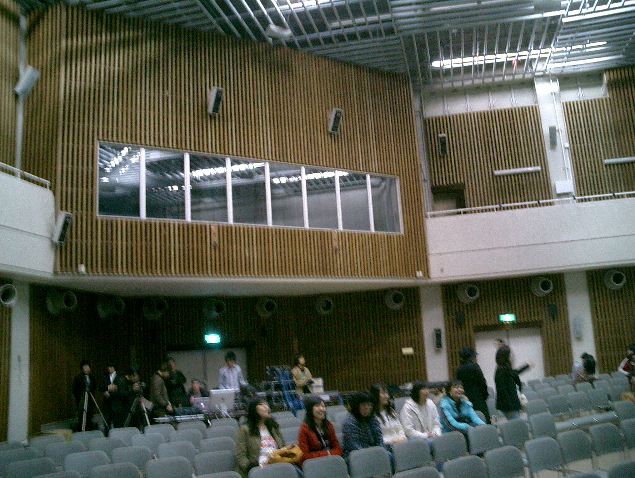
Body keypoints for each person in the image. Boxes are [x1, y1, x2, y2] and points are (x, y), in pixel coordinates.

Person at [235, 398, 285, 477]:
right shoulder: (245, 430)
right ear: (253, 409)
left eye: (267, 404)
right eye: (262, 404)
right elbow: (240, 456)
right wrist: (253, 470)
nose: (266, 407)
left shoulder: (273, 427)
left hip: (277, 466)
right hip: (258, 470)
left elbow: (283, 447)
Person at [298, 395, 342, 464]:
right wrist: (327, 454)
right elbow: (304, 456)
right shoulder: (304, 429)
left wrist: (330, 454)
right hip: (315, 464)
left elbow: (338, 448)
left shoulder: (329, 425)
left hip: (332, 460)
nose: (322, 409)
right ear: (310, 409)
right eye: (317, 406)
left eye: (323, 406)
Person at [342, 391, 385, 458]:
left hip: (374, 452)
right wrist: (373, 454)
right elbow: (354, 446)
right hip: (356, 456)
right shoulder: (349, 422)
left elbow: (379, 437)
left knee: (388, 455)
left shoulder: (372, 418)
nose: (367, 407)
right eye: (364, 405)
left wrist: (379, 451)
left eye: (370, 405)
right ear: (357, 406)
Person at [455, 347, 490, 423]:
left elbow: (458, 385)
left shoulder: (459, 369)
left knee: (471, 423)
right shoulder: (475, 367)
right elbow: (482, 383)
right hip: (478, 398)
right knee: (484, 421)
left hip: (465, 400)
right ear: (470, 357)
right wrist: (485, 396)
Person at [494, 345, 528, 419]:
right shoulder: (502, 370)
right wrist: (514, 406)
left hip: (511, 405)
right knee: (517, 424)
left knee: (517, 423)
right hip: (509, 407)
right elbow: (503, 391)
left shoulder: (505, 368)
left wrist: (526, 366)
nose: (512, 357)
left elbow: (515, 373)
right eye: (510, 355)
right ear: (506, 357)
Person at [369, 383, 407, 448]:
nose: (387, 396)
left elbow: (400, 429)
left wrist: (402, 438)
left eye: (387, 393)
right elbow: (376, 438)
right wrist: (392, 441)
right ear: (375, 395)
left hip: (400, 443)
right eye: (383, 393)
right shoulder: (371, 416)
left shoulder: (391, 411)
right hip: (386, 447)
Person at [100, 363, 129, 428]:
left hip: (117, 404)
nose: (109, 368)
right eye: (108, 367)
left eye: (111, 367)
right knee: (107, 425)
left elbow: (123, 390)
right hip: (107, 404)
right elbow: (101, 387)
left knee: (118, 425)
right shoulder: (105, 377)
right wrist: (106, 389)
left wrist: (114, 390)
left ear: (114, 367)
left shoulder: (120, 377)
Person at [72, 360, 97, 431]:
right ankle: (82, 429)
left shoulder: (92, 377)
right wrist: (80, 397)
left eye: (88, 367)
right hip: (81, 401)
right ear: (82, 369)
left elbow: (94, 387)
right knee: (82, 416)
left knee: (90, 415)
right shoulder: (78, 377)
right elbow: (74, 389)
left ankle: (89, 428)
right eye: (85, 367)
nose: (87, 369)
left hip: (90, 401)